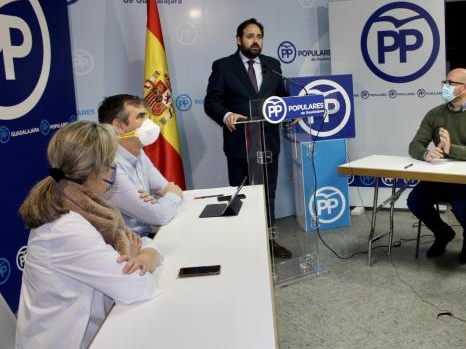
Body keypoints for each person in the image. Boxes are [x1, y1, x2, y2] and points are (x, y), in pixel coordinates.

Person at [16, 121, 162, 349]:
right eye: (110, 163)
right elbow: (138, 288)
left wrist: (146, 255)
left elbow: (141, 244)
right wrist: (144, 258)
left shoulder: (89, 208)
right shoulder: (66, 228)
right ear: (98, 171)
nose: (114, 169)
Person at [204, 18, 291, 259]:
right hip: (239, 142)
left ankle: (269, 240)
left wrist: (292, 110)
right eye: (250, 36)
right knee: (241, 194)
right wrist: (227, 114)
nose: (256, 41)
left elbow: (281, 98)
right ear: (239, 40)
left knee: (268, 193)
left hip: (267, 140)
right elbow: (212, 102)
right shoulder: (223, 66)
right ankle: (243, 242)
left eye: (259, 36)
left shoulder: (272, 65)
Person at [407, 68, 466, 264]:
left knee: (462, 205)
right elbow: (415, 145)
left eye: (449, 83)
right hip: (442, 177)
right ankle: (443, 233)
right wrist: (425, 153)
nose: (444, 87)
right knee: (415, 201)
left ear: (464, 88)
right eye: (444, 82)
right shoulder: (434, 114)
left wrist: (451, 149)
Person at [98, 94, 183, 237]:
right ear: (119, 126)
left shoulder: (139, 153)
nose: (148, 122)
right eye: (141, 117)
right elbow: (160, 214)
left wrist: (159, 199)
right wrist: (170, 195)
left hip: (150, 237)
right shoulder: (109, 167)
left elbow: (165, 189)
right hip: (127, 249)